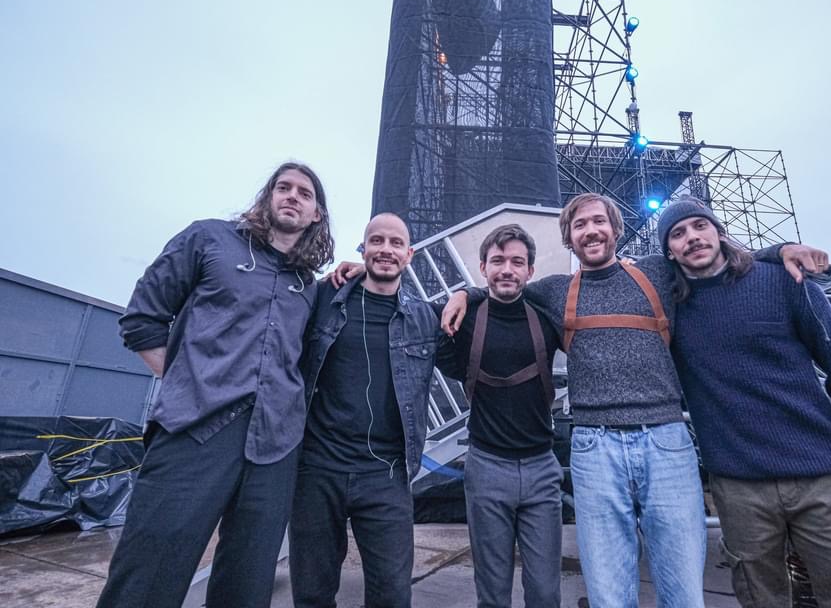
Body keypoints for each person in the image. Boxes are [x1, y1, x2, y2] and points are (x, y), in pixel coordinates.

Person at [442, 193, 827, 608]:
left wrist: (779, 251)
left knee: (683, 594)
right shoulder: (554, 291)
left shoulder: (656, 272)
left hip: (666, 443)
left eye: (599, 221)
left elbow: (709, 257)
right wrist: (464, 294)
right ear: (569, 238)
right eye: (580, 225)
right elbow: (503, 287)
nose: (591, 230)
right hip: (594, 448)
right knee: (608, 596)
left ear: (616, 229)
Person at [99, 162, 334, 608]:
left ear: (316, 214)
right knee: (148, 572)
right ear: (267, 197)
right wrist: (188, 382)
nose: (292, 196)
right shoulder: (209, 239)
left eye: (305, 193)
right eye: (283, 187)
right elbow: (142, 321)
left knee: (249, 580)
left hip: (275, 445)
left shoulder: (308, 285)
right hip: (195, 430)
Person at [659, 197, 831, 608]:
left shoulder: (784, 282)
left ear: (719, 231)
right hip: (739, 487)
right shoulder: (670, 307)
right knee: (760, 598)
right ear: (668, 251)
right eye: (678, 234)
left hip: (821, 476)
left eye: (700, 226)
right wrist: (777, 248)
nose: (692, 238)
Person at [290, 213, 441, 608]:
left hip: (385, 474)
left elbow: (481, 317)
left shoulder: (425, 318)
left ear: (409, 254)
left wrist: (468, 295)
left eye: (395, 243)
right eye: (377, 241)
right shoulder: (323, 300)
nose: (385, 250)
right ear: (363, 248)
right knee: (312, 592)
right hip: (318, 469)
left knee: (392, 593)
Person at [433, 224, 564, 608]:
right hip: (486, 467)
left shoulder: (547, 317)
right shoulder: (463, 319)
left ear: (530, 271)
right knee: (492, 593)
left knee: (545, 593)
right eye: (498, 261)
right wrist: (464, 293)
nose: (507, 269)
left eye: (517, 262)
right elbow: (399, 301)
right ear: (483, 268)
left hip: (541, 469)